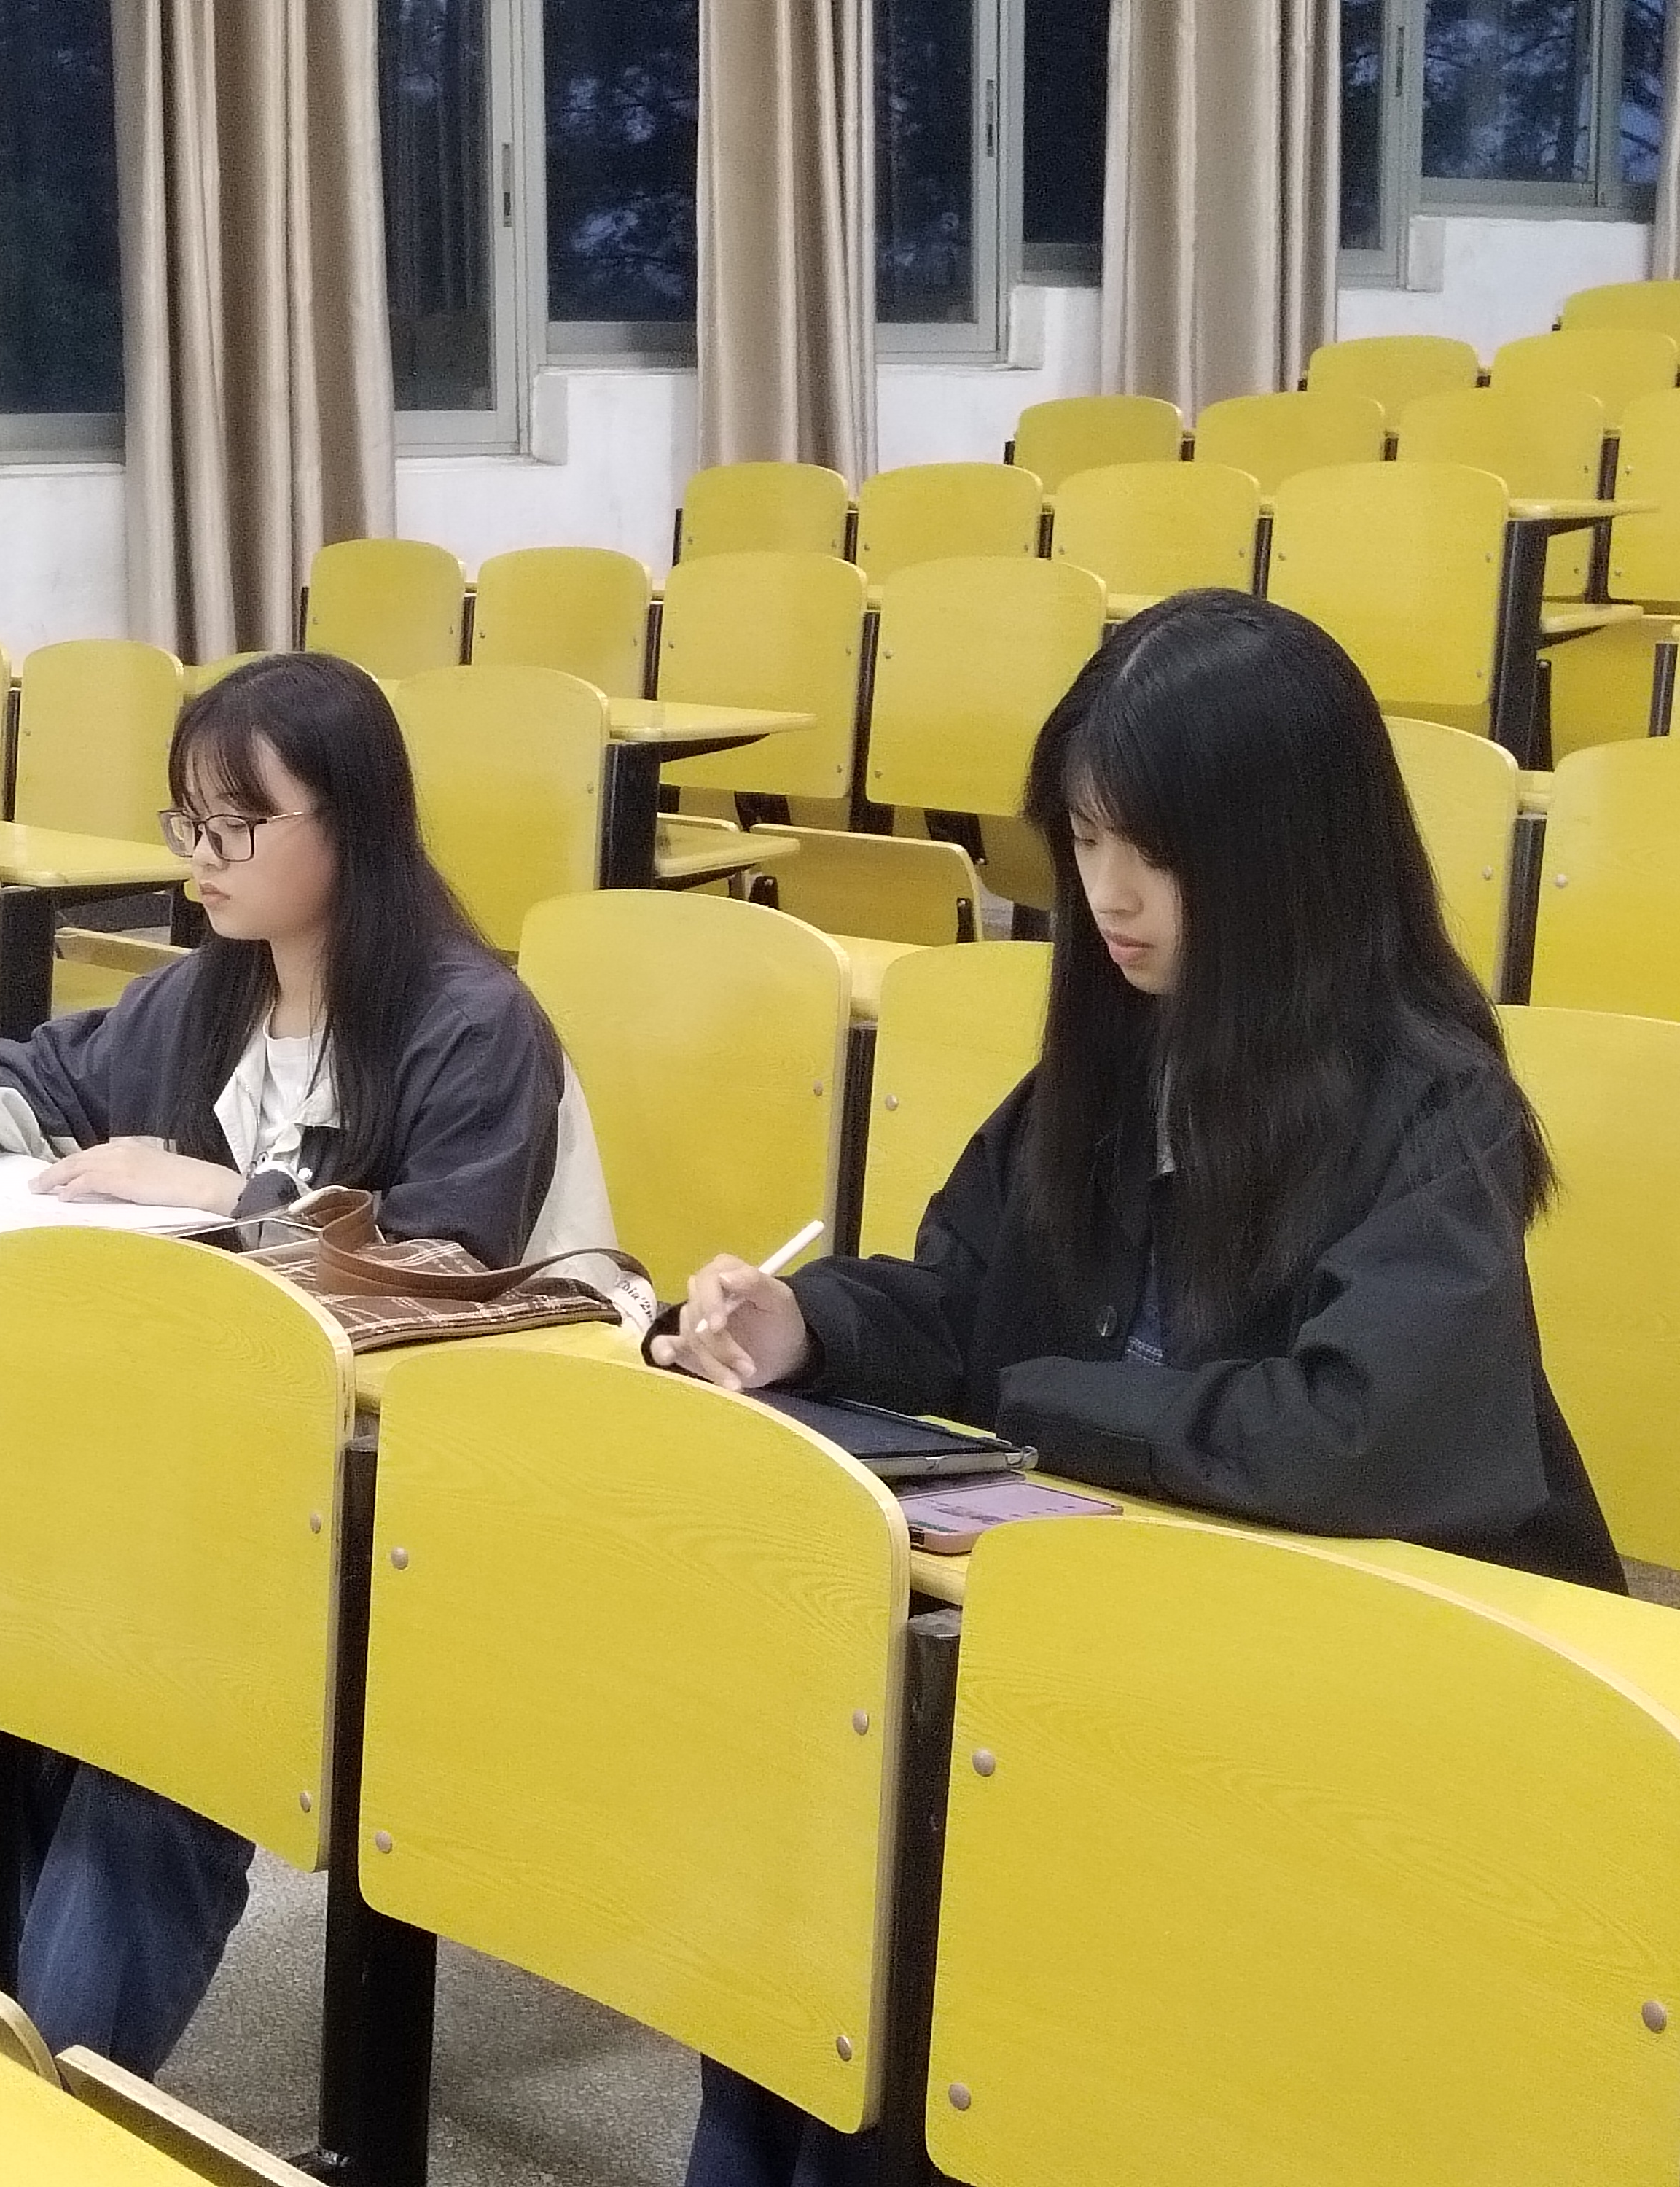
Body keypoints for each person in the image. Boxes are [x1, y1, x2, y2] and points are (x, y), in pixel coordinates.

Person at [649, 588, 1622, 2187]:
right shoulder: (1115, 1055)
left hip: (1374, 1692)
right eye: (1086, 839)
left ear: (1286, 856)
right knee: (795, 1937)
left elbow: (1347, 1439)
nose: (1106, 893)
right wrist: (802, 1326)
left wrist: (1053, 1407)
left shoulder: (1428, 1103)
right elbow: (965, 1293)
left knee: (923, 1957)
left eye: (1152, 852)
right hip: (1135, 1636)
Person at [0, 648, 612, 2075]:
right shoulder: (215, 995)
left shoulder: (472, 1022)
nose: (203, 858)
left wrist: (226, 1195)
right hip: (242, 1469)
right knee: (21, 1660)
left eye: (238, 824)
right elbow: (50, 1076)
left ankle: (45, 2118)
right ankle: (1, 2051)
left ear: (351, 822)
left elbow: (446, 1274)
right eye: (188, 823)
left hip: (445, 1487)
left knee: (163, 1720)